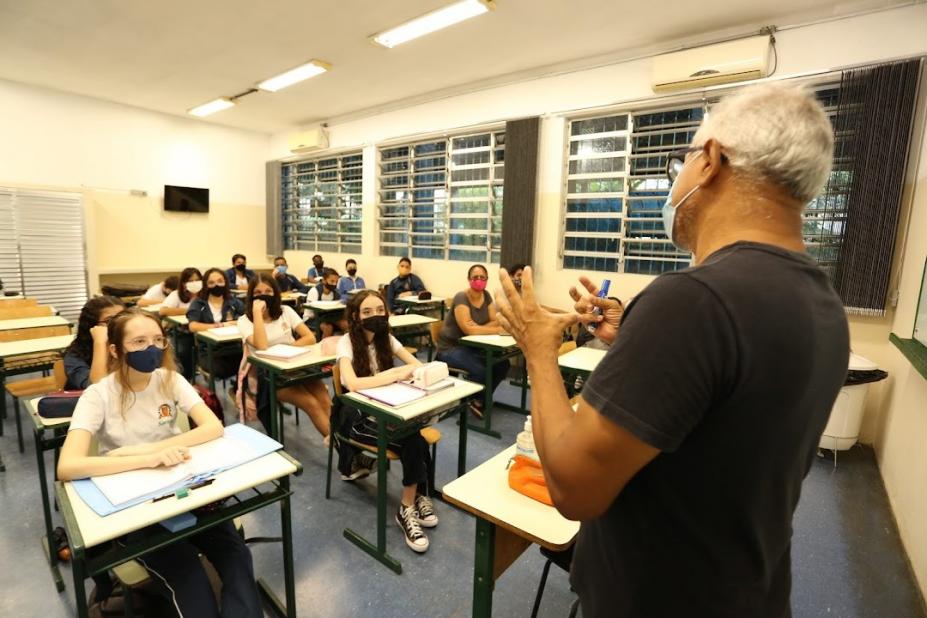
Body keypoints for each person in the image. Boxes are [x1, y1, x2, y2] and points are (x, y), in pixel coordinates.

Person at [493, 82, 849, 617]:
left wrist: (539, 351)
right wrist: (633, 343)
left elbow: (572, 487)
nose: (672, 183)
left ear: (710, 160)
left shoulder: (694, 301)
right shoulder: (820, 300)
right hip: (746, 588)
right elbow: (723, 413)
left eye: (676, 164)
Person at [57, 309, 262, 616]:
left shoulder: (169, 379)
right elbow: (68, 466)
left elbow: (213, 427)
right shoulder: (97, 395)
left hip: (187, 491)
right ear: (115, 349)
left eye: (157, 340)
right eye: (138, 341)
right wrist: (147, 458)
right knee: (189, 576)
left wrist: (154, 450)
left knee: (236, 555)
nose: (150, 349)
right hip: (139, 510)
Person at [336, 290, 437, 552]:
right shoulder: (346, 342)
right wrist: (394, 374)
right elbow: (353, 383)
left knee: (413, 437)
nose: (375, 316)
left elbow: (417, 366)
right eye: (367, 312)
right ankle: (412, 502)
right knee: (414, 439)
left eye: (380, 310)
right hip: (356, 417)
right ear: (356, 317)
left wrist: (414, 372)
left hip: (387, 408)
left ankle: (411, 501)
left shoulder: (387, 339)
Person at [236, 275, 331, 440]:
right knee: (311, 403)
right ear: (251, 297)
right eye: (257, 293)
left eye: (268, 291)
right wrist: (257, 314)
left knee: (324, 397)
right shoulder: (244, 321)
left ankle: (342, 443)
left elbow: (310, 337)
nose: (263, 296)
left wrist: (285, 350)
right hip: (269, 376)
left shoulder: (286, 311)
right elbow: (262, 346)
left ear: (275, 293)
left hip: (295, 365)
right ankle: (345, 450)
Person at [435, 264, 509, 418]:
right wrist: (494, 330)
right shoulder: (461, 297)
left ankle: (478, 399)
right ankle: (472, 400)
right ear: (469, 279)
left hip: (472, 346)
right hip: (450, 347)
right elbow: (468, 329)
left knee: (502, 364)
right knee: (480, 370)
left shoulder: (487, 296)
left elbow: (495, 321)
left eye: (483, 277)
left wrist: (478, 328)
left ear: (487, 280)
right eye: (475, 277)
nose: (479, 280)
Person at [187, 268, 246, 383]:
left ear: (225, 282)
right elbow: (193, 326)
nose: (217, 285)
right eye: (211, 283)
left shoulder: (233, 301)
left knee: (252, 365)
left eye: (220, 281)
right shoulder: (199, 303)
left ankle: (239, 391)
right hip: (208, 351)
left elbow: (247, 319)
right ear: (206, 285)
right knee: (222, 370)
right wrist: (221, 325)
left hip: (234, 348)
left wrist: (234, 322)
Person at [63, 296, 126, 390]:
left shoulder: (131, 345)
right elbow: (98, 389)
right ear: (92, 325)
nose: (118, 324)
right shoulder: (75, 356)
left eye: (122, 318)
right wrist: (100, 342)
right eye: (109, 321)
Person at [306, 267, 348, 338]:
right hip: (312, 319)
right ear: (324, 281)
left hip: (330, 318)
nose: (334, 284)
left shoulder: (336, 293)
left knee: (346, 324)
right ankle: (323, 347)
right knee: (328, 327)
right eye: (332, 281)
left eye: (336, 282)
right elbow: (311, 312)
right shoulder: (314, 291)